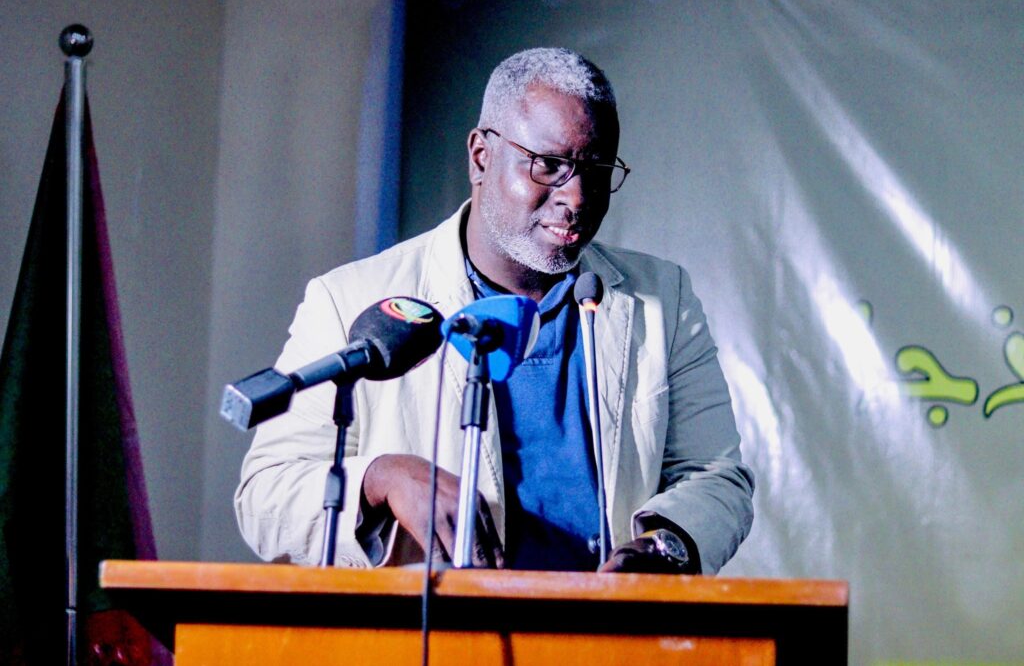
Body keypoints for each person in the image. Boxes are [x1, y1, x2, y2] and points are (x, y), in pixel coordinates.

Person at [234, 48, 754, 575]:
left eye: (596, 170)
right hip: (439, 627)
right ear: (481, 156)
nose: (576, 197)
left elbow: (715, 477)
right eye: (548, 165)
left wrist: (665, 547)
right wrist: (382, 477)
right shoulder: (348, 298)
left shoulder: (662, 298)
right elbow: (264, 498)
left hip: (606, 625)